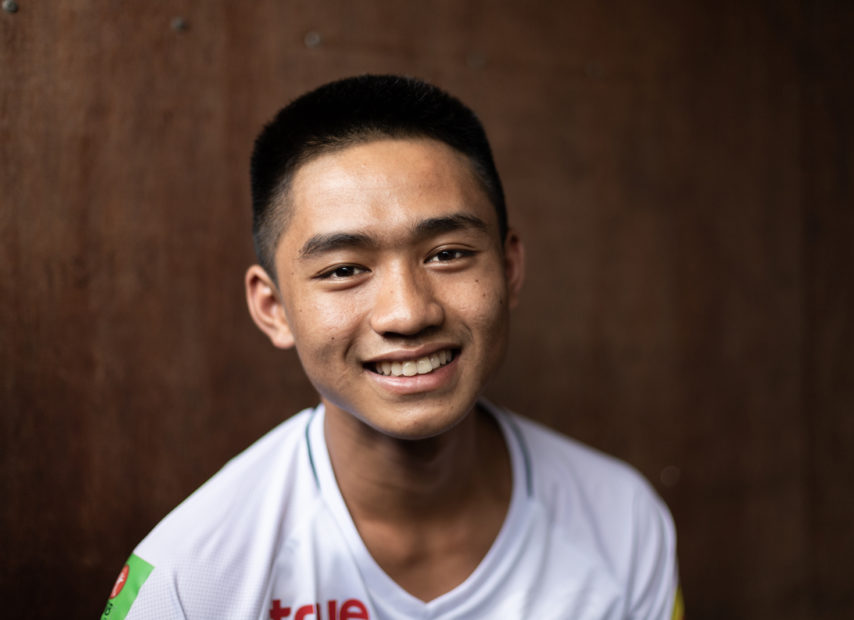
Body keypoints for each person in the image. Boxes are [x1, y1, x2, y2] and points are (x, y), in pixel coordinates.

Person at [101, 74, 684, 620]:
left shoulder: (623, 523)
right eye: (345, 269)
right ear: (273, 307)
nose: (408, 313)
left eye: (448, 254)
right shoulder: (191, 576)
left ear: (509, 269)